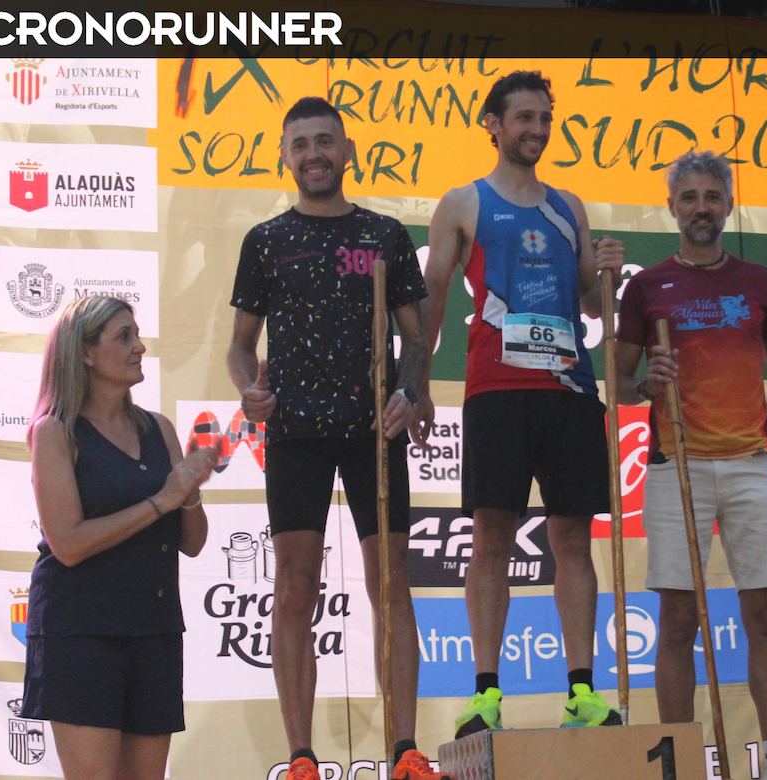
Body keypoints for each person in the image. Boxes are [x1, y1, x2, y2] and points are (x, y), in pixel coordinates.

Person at [227, 97, 449, 780]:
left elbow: (416, 338)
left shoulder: (384, 234)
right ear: (285, 157)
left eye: (325, 141)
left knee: (392, 584)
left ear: (347, 151)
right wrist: (248, 390)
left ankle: (405, 750)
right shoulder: (265, 240)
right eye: (301, 144)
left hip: (373, 430)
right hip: (295, 432)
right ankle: (301, 757)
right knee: (295, 588)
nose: (314, 154)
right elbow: (239, 346)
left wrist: (409, 392)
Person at [420, 70, 625, 737]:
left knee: (573, 540)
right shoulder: (463, 203)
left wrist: (608, 275)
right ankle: (486, 694)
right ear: (493, 124)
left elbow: (590, 303)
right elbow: (432, 299)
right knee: (490, 540)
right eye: (524, 118)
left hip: (569, 390)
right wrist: (414, 383)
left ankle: (582, 693)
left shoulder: (569, 207)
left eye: (544, 118)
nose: (536, 129)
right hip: (496, 391)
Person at [613, 149, 767, 779]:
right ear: (672, 207)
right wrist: (648, 383)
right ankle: (679, 762)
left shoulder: (759, 280)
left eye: (711, 197)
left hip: (748, 464)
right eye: (689, 197)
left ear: (728, 205)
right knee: (677, 620)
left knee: (765, 615)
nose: (701, 208)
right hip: (677, 466)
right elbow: (619, 382)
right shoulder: (646, 287)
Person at [22, 295, 219, 780]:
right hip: (81, 630)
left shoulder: (159, 428)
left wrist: (190, 491)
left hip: (154, 628)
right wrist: (162, 500)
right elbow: (68, 544)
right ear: (85, 352)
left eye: (138, 335)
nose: (140, 347)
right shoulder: (55, 430)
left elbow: (193, 542)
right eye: (123, 337)